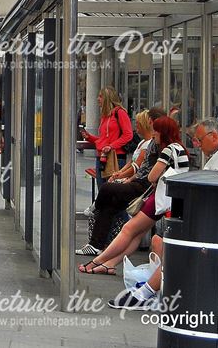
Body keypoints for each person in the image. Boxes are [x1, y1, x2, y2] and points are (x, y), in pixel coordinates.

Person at [108, 118, 218, 309]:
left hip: (214, 226)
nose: (197, 144)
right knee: (158, 241)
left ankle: (145, 293)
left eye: (199, 139)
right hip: (208, 221)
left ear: (213, 136)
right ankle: (156, 292)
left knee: (172, 247)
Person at [77, 116, 188, 274]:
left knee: (129, 229)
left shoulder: (168, 150)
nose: (154, 133)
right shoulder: (180, 149)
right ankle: (110, 264)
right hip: (171, 199)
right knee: (136, 234)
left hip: (159, 198)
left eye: (156, 130)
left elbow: (151, 176)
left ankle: (97, 261)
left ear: (163, 132)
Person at [76, 108, 164, 255]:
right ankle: (96, 245)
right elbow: (135, 164)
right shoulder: (146, 143)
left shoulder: (153, 145)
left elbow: (141, 169)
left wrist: (125, 178)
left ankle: (95, 208)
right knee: (109, 206)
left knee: (107, 189)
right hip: (139, 183)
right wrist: (121, 175)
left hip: (143, 186)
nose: (136, 126)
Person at [82, 86, 133, 184]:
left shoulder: (120, 113)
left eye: (100, 96)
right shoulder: (105, 116)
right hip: (102, 157)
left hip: (115, 158)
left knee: (111, 191)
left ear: (107, 98)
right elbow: (105, 139)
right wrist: (90, 138)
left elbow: (128, 134)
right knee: (102, 190)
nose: (98, 99)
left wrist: (111, 146)